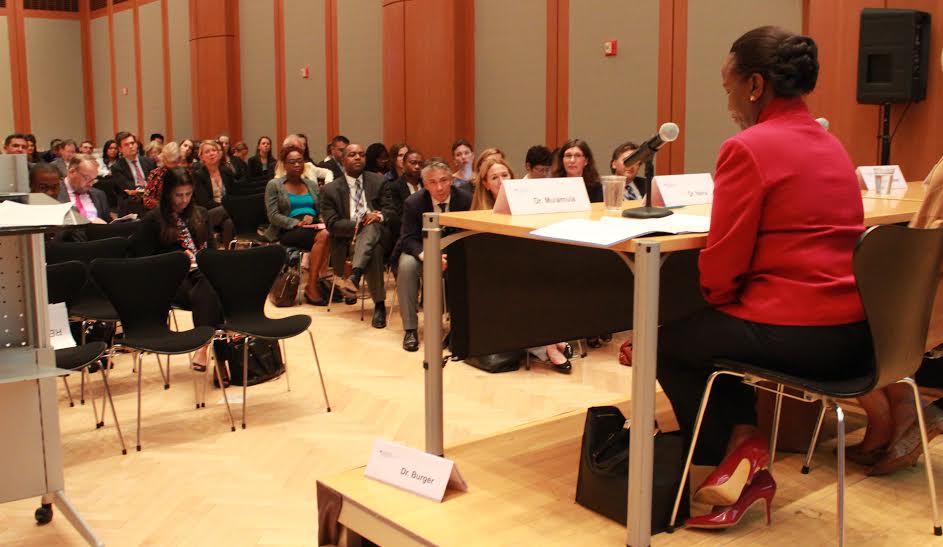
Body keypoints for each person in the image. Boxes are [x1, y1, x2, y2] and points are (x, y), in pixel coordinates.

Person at [654, 26, 871, 529]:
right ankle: (743, 447)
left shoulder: (747, 148)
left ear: (754, 85)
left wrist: (719, 298)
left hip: (798, 334)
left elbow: (722, 266)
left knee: (668, 343)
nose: (728, 101)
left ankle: (730, 461)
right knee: (714, 334)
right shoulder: (832, 144)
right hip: (855, 335)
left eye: (728, 87)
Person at [468, 157, 572, 373]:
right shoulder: (477, 212)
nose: (501, 181)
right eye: (494, 178)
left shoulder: (525, 206)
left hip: (521, 266)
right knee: (522, 288)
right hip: (491, 276)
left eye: (505, 175)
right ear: (485, 184)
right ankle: (547, 346)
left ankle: (547, 343)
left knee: (545, 280)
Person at [132, 167, 222, 373]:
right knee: (215, 288)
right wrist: (177, 258)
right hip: (171, 279)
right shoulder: (153, 219)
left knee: (214, 282)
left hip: (201, 274)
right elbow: (142, 260)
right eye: (178, 195)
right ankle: (212, 352)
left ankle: (208, 348)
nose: (184, 200)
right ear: (168, 194)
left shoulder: (201, 214)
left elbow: (212, 250)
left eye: (188, 194)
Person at [393, 159, 472, 351]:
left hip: (454, 251)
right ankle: (410, 329)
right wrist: (428, 255)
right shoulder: (414, 203)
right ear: (425, 184)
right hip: (421, 250)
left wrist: (449, 256)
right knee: (406, 266)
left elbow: (469, 234)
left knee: (463, 266)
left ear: (451, 180)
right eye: (433, 182)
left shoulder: (466, 199)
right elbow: (407, 238)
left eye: (444, 180)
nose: (439, 187)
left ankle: (457, 328)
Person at [320, 143, 391, 328]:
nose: (358, 157)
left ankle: (354, 276)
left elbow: (391, 211)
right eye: (352, 155)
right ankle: (379, 305)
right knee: (374, 249)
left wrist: (378, 216)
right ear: (343, 160)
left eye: (361, 154)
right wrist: (361, 224)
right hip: (347, 241)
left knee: (373, 227)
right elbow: (332, 224)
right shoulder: (330, 190)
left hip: (379, 234)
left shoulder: (378, 182)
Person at [263, 146, 333, 305]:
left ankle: (317, 283)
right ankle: (312, 285)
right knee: (325, 235)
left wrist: (316, 218)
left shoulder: (311, 185)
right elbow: (273, 216)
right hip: (288, 229)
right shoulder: (274, 185)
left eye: (300, 161)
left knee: (330, 233)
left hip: (312, 226)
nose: (297, 165)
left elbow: (321, 210)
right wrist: (296, 222)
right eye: (292, 162)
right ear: (284, 164)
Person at [191, 141, 235, 247]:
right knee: (232, 210)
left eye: (214, 150)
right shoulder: (198, 175)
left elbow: (233, 194)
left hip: (226, 212)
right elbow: (205, 202)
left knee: (229, 223)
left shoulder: (226, 171)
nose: (211, 153)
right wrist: (228, 206)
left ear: (219, 153)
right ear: (201, 157)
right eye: (207, 152)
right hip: (206, 213)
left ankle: (228, 252)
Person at [381, 150, 424, 245]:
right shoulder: (394, 187)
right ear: (403, 165)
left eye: (420, 164)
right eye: (413, 163)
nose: (417, 166)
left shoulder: (426, 185)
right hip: (405, 233)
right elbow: (397, 216)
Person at [110, 132, 156, 216]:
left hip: (150, 200)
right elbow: (129, 189)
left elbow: (155, 183)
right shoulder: (117, 167)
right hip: (131, 203)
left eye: (132, 143)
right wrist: (146, 191)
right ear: (120, 149)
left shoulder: (149, 162)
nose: (131, 146)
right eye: (126, 145)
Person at [58, 155, 109, 224]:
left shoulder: (99, 194)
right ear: (72, 172)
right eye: (87, 178)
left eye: (93, 180)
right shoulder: (54, 192)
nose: (91, 184)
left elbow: (107, 221)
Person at [143, 142, 181, 210]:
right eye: (169, 162)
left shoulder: (185, 174)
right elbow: (147, 199)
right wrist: (166, 207)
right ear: (164, 159)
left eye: (175, 162)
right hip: (160, 211)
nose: (173, 166)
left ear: (179, 159)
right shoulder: (156, 174)